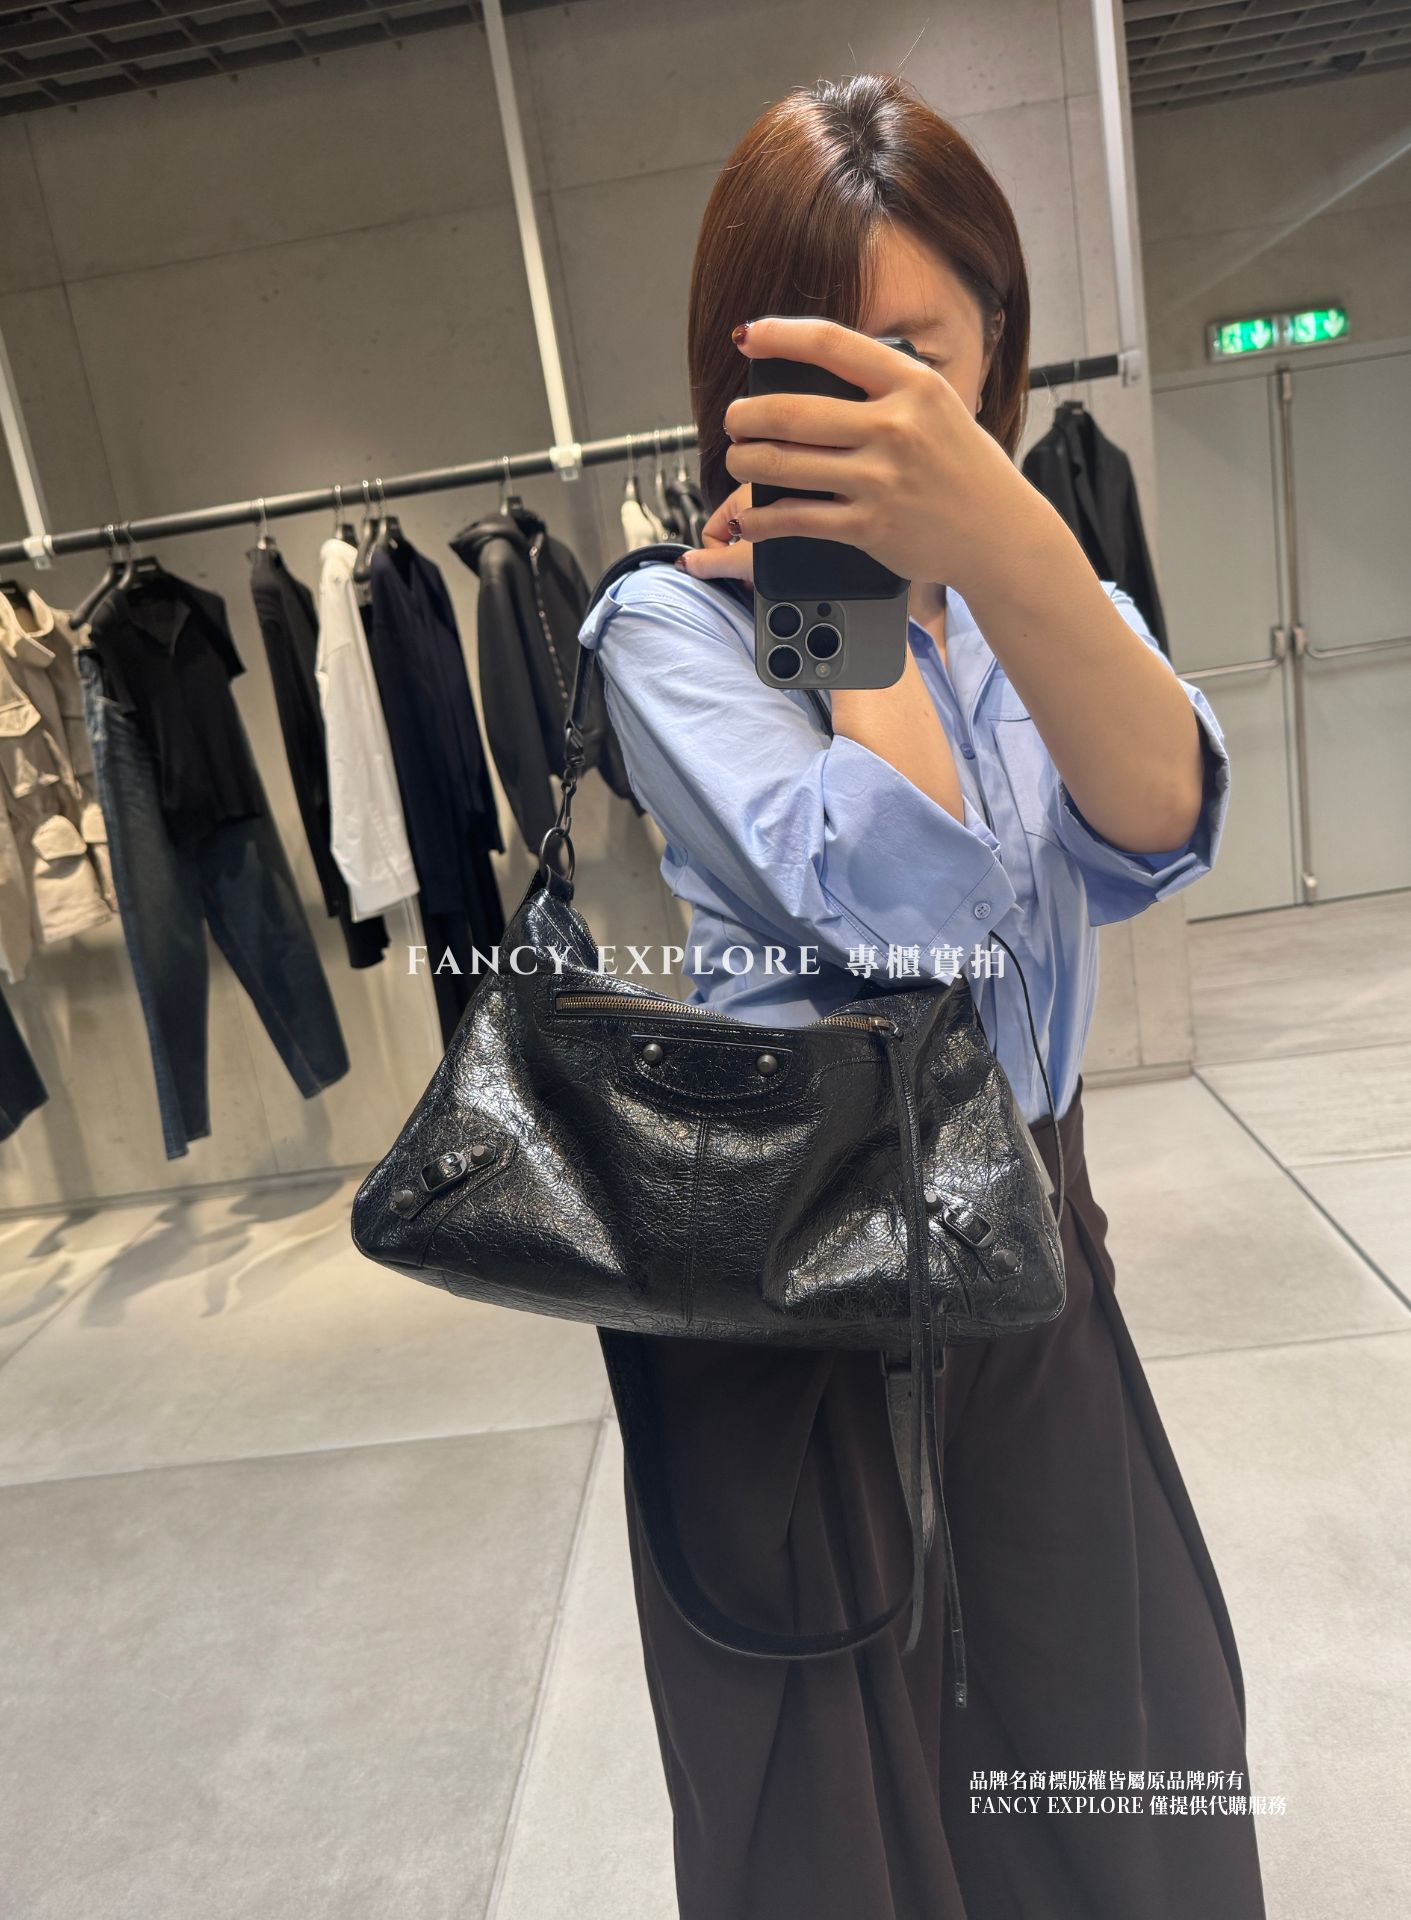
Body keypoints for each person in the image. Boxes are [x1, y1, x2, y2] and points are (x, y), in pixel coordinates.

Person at [576, 72, 1267, 1920]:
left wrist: (1004, 547)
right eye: (820, 361)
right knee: (855, 1841)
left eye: (912, 357)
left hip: (1040, 1275)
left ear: (994, 356)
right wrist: (843, 595)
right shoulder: (675, 624)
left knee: (1122, 1777)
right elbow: (918, 914)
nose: (872, 404)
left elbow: (1165, 815)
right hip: (813, 1321)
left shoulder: (1044, 600)